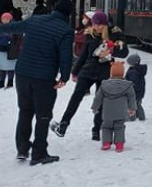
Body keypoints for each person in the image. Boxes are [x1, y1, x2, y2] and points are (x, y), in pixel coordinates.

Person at [0, 0, 74, 165]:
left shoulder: (35, 20)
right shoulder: (65, 30)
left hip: (22, 74)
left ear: (54, 8)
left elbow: (13, 26)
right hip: (44, 78)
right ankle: (39, 153)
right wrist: (64, 77)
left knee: (25, 111)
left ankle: (22, 148)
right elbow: (66, 57)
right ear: (69, 14)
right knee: (43, 115)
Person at [52, 11, 128, 141]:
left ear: (105, 24)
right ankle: (63, 125)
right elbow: (83, 56)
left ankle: (96, 131)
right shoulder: (90, 34)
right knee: (76, 97)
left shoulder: (115, 34)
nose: (96, 27)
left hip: (104, 72)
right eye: (94, 24)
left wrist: (111, 51)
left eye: (99, 25)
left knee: (100, 102)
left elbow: (124, 52)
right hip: (88, 71)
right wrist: (75, 72)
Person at [91, 60, 137, 152]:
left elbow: (98, 98)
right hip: (121, 112)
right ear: (122, 73)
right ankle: (119, 145)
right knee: (119, 128)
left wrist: (95, 107)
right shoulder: (127, 86)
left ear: (111, 73)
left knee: (106, 127)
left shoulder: (104, 85)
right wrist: (132, 108)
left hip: (107, 113)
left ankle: (106, 143)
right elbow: (132, 98)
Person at [0, 11, 21, 89]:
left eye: (7, 18)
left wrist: (15, 46)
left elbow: (19, 39)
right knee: (1, 67)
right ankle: (1, 81)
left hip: (10, 51)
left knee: (10, 67)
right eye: (3, 18)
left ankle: (10, 81)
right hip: (0, 51)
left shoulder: (14, 27)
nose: (5, 20)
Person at [126, 53, 147, 121]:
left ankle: (132, 117)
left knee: (132, 105)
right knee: (137, 105)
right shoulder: (137, 69)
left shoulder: (134, 72)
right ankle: (140, 116)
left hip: (135, 92)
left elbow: (133, 82)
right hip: (139, 92)